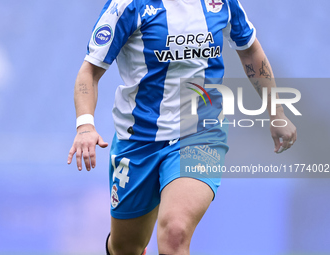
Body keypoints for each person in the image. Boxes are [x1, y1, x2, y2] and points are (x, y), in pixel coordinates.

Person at [67, 0, 297, 254]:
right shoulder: (128, 6)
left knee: (176, 232)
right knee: (125, 247)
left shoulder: (222, 3)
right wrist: (85, 125)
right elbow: (89, 72)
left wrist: (276, 111)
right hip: (138, 140)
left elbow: (249, 50)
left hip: (200, 133)